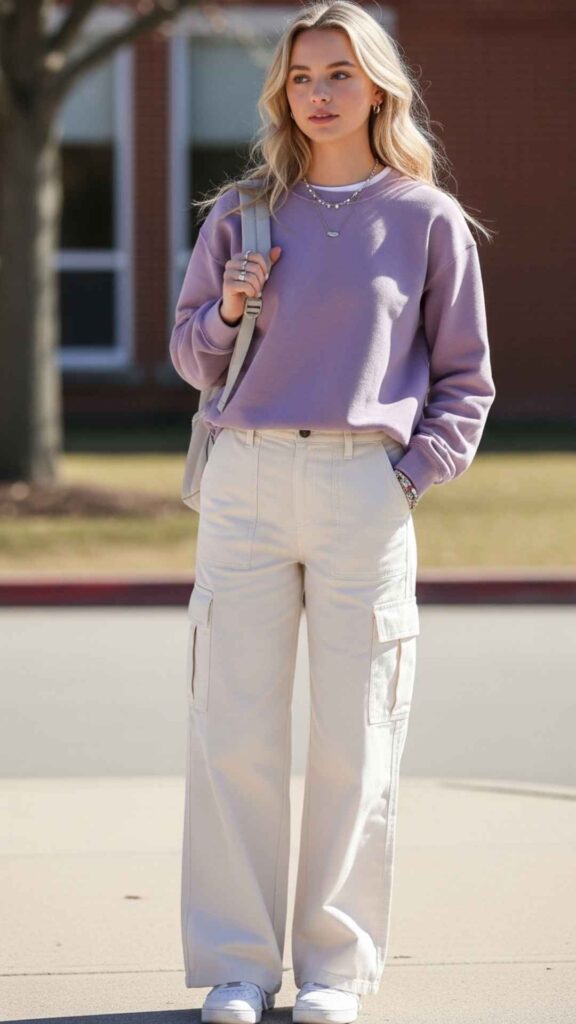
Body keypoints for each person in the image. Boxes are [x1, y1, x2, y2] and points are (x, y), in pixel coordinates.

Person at [169, 2, 496, 1022]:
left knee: (359, 735)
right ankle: (236, 965)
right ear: (284, 92)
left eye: (339, 74)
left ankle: (334, 971)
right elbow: (190, 356)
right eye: (302, 76)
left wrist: (407, 475)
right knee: (233, 730)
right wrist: (227, 305)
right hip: (247, 482)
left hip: (366, 484)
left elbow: (465, 378)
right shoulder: (242, 211)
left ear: (379, 87)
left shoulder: (426, 217)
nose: (318, 94)